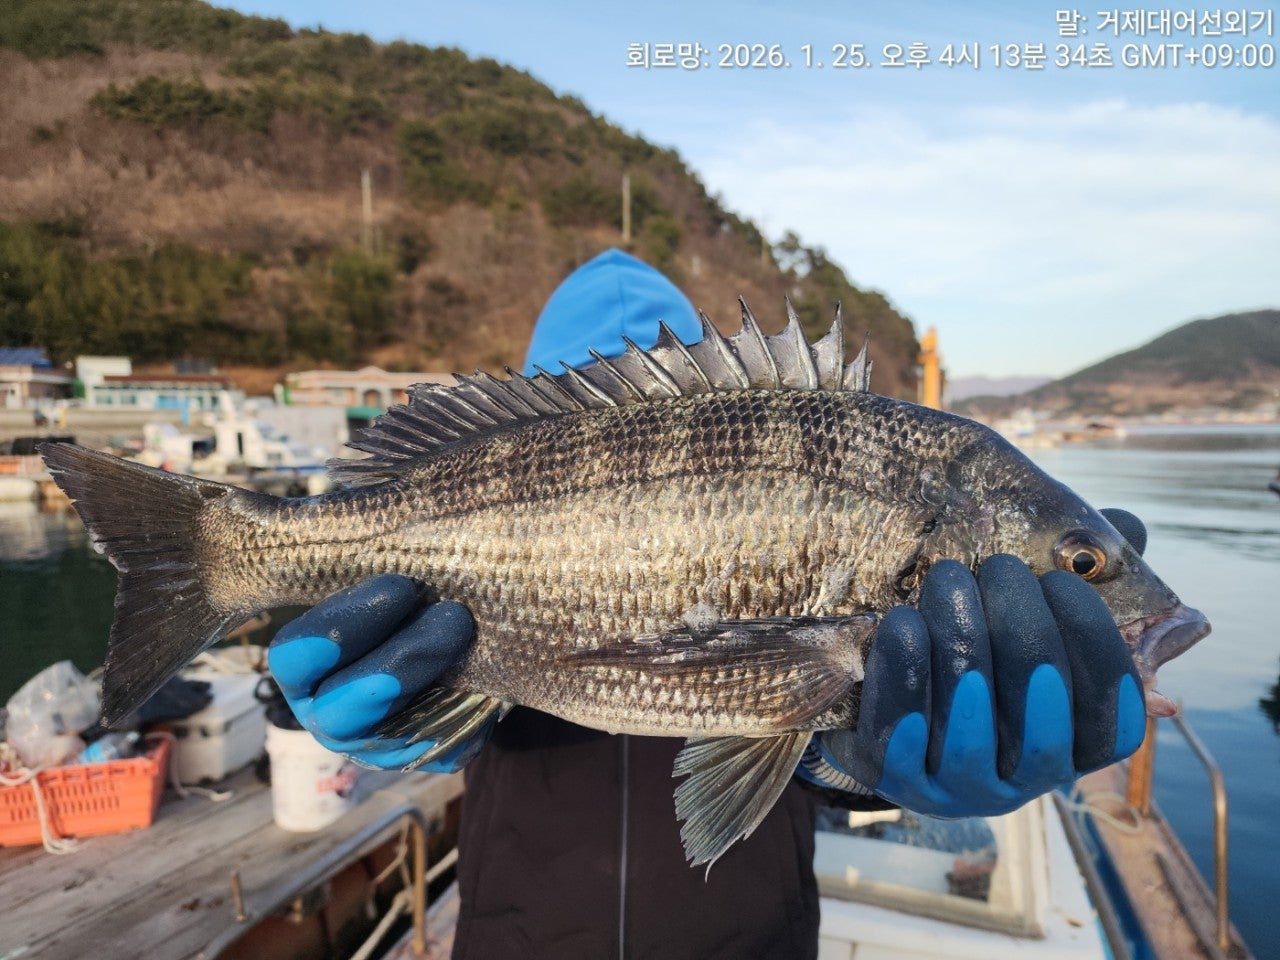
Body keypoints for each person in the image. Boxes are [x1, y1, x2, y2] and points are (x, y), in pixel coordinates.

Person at [269, 249, 1149, 959]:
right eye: (1081, 562)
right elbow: (451, 698)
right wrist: (409, 719)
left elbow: (804, 728)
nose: (1083, 573)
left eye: (1081, 562)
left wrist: (854, 765)